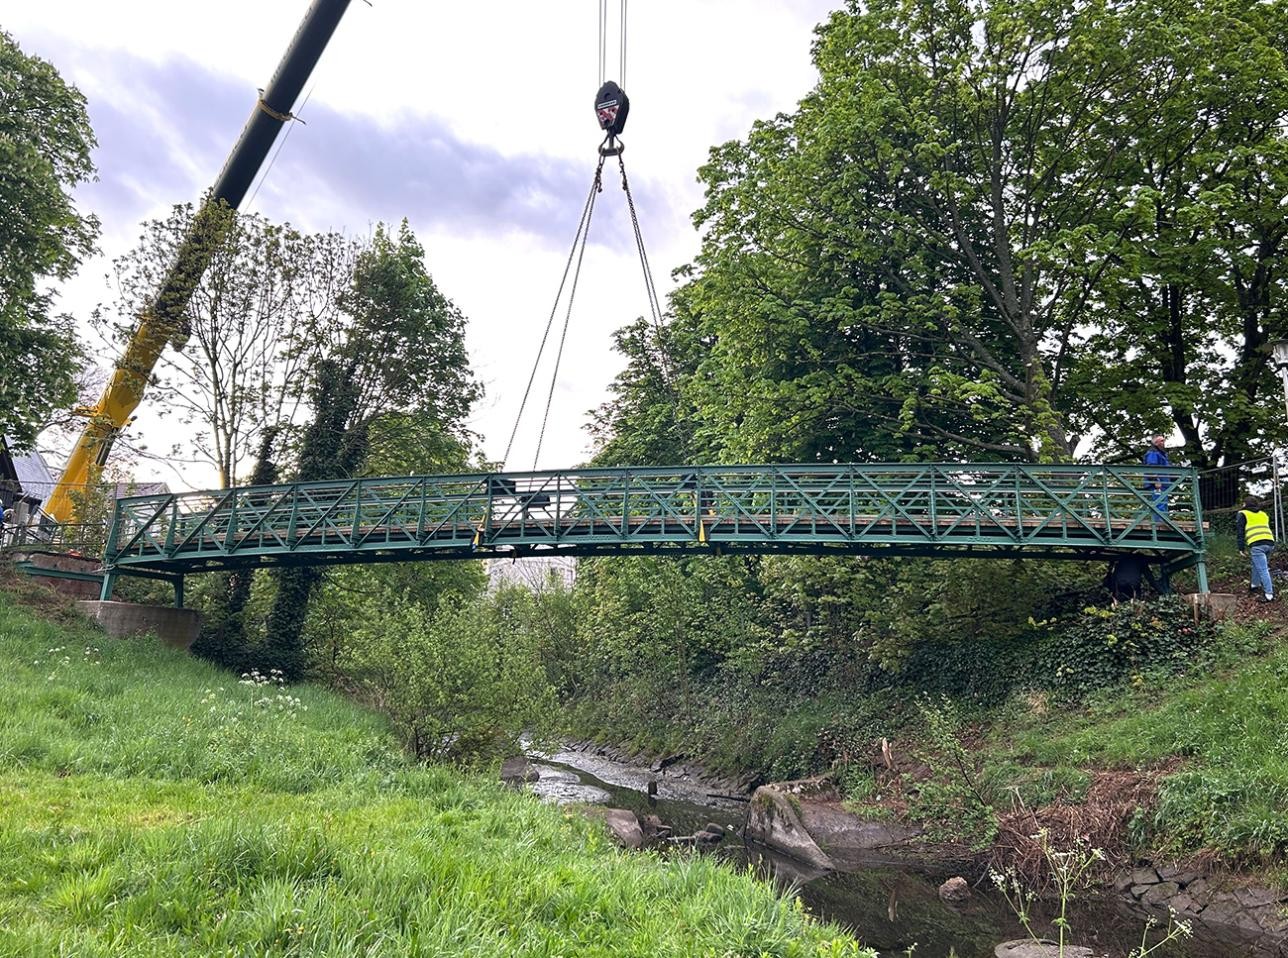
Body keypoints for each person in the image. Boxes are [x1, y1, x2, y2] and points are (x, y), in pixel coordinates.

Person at [1236, 496, 1276, 603]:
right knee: (1257, 564)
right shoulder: (1263, 514)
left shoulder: (1242, 513)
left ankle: (1269, 595)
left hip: (1257, 545)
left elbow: (1240, 532)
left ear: (1245, 504)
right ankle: (1254, 585)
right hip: (1270, 543)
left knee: (1263, 569)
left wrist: (1241, 548)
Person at [1143, 434, 1170, 515]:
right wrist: (1155, 481)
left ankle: (1162, 522)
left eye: (1163, 440)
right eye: (1161, 441)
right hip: (1158, 484)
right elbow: (1151, 467)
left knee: (1162, 503)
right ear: (1156, 442)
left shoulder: (1161, 453)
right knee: (1159, 503)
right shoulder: (1153, 453)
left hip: (1163, 484)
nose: (1163, 442)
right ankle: (1159, 523)